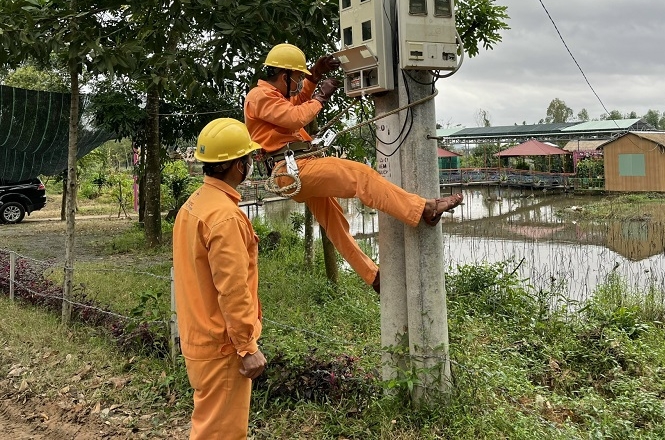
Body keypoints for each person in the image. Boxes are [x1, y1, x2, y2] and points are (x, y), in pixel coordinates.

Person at [244, 43, 462, 293]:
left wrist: (314, 76)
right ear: (284, 76)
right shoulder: (258, 96)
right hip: (292, 170)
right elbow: (295, 117)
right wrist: (320, 98)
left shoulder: (274, 97)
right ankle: (424, 208)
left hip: (297, 169)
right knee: (360, 175)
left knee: (335, 223)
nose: (299, 84)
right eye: (298, 78)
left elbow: (295, 102)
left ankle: (373, 276)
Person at [173, 118, 266, 440]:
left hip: (198, 337)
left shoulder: (194, 205)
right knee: (221, 433)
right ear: (239, 165)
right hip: (223, 346)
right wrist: (246, 346)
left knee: (210, 424)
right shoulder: (225, 217)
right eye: (249, 159)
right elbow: (233, 288)